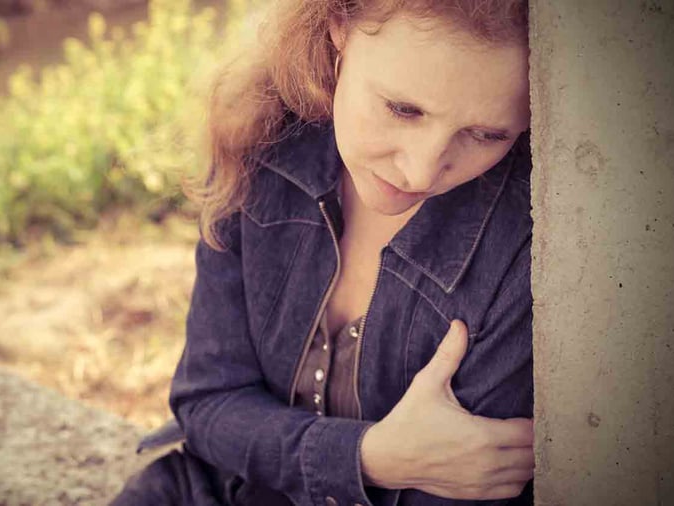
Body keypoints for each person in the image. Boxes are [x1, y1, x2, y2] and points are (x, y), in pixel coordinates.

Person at [111, 0, 534, 504]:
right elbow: (207, 405)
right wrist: (369, 458)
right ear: (338, 29)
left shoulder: (534, 249)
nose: (421, 170)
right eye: (402, 109)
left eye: (486, 134)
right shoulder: (259, 135)